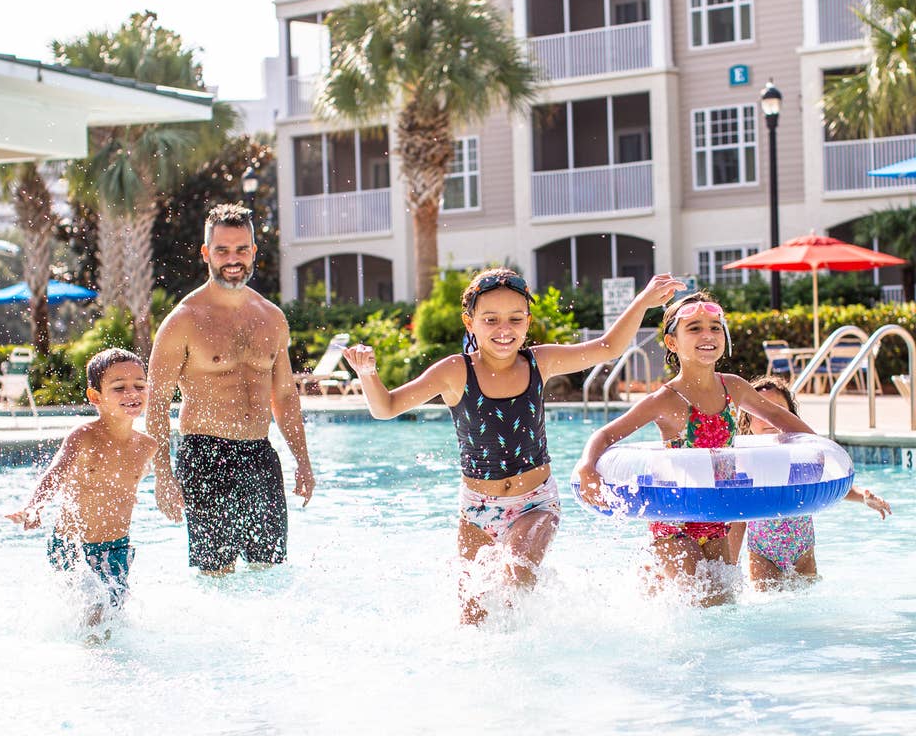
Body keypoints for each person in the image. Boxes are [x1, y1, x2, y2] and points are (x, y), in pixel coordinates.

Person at [343, 267, 684, 623]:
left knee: (514, 580)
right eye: (490, 319)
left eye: (515, 319)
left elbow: (609, 347)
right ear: (469, 322)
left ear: (527, 321)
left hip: (534, 502)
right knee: (472, 618)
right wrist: (368, 374)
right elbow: (386, 408)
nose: (504, 329)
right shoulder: (454, 371)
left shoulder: (540, 362)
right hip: (476, 509)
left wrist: (644, 301)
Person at [573, 292, 816, 604]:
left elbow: (783, 419)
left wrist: (818, 451)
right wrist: (587, 466)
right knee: (705, 601)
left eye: (715, 327)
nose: (708, 335)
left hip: (715, 520)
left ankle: (653, 579)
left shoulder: (734, 388)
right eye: (695, 328)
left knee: (724, 607)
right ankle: (655, 572)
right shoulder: (666, 399)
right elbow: (606, 435)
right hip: (674, 522)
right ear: (672, 342)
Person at [147, 203, 315, 575]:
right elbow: (156, 403)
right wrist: (162, 476)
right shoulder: (183, 321)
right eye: (222, 250)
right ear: (206, 253)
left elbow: (284, 395)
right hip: (205, 456)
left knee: (270, 573)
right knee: (216, 580)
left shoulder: (272, 317)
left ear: (254, 251)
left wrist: (302, 461)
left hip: (259, 455)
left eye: (241, 249)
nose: (232, 259)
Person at [6, 348, 157, 629]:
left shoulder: (147, 446)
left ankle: (105, 663)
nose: (131, 393)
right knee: (94, 605)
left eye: (139, 385)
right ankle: (92, 667)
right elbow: (55, 473)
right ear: (95, 397)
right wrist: (34, 506)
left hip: (117, 549)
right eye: (119, 387)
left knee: (113, 617)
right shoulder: (84, 436)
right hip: (71, 546)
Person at [727, 375, 892, 588]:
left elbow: (827, 483)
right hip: (763, 554)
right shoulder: (746, 462)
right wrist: (729, 568)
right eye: (760, 412)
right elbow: (739, 517)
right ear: (747, 420)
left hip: (803, 549)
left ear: (788, 416)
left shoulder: (801, 455)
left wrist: (862, 497)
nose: (768, 418)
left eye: (776, 409)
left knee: (806, 601)